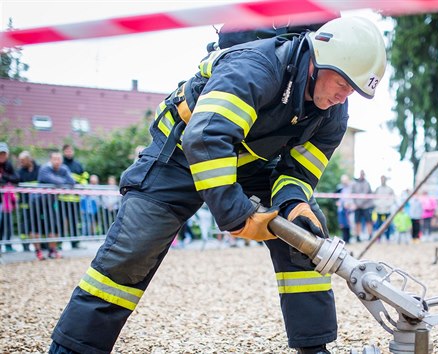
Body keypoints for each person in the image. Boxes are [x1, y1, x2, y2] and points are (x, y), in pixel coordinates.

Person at [49, 16, 386, 354]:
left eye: (354, 90)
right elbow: (206, 138)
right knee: (132, 252)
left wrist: (294, 205)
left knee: (308, 239)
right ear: (318, 60)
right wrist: (239, 216)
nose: (345, 96)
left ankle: (314, 349)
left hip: (250, 162)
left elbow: (298, 173)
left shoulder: (334, 115)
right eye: (343, 83)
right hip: (179, 155)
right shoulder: (257, 66)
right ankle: (74, 348)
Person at [38, 151, 75, 259]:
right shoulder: (44, 168)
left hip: (51, 202)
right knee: (36, 227)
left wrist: (60, 182)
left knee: (54, 226)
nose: (57, 161)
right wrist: (63, 182)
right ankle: (38, 252)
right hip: (38, 201)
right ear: (50, 159)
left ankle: (52, 250)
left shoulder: (63, 168)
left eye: (59, 159)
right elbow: (52, 180)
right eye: (55, 159)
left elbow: (72, 181)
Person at [17, 151, 47, 259]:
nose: (21, 163)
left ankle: (44, 246)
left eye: (23, 161)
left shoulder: (40, 169)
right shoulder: (20, 172)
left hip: (40, 203)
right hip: (26, 204)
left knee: (42, 225)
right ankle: (29, 246)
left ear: (29, 159)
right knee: (29, 226)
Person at [0, 142, 19, 252]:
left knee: (7, 223)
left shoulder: (9, 165)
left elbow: (16, 178)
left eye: (4, 154)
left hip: (6, 200)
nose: (2, 156)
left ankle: (7, 244)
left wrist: (4, 177)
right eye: (0, 154)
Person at [351, 170, 374, 241]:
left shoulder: (367, 183)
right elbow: (353, 194)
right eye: (361, 174)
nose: (362, 175)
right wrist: (356, 204)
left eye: (363, 174)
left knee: (368, 221)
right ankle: (358, 236)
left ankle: (370, 235)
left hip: (366, 206)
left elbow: (366, 195)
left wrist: (358, 204)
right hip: (357, 207)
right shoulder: (355, 184)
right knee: (357, 222)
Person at [373, 175, 395, 241]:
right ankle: (378, 238)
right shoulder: (377, 189)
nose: (382, 180)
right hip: (379, 209)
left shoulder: (389, 189)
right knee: (379, 224)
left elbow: (392, 198)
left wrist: (388, 205)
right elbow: (374, 198)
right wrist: (378, 204)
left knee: (387, 224)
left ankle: (387, 237)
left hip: (387, 209)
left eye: (384, 179)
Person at [336, 174, 354, 244]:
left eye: (345, 180)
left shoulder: (351, 188)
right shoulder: (339, 188)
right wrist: (337, 202)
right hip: (341, 209)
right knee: (342, 224)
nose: (344, 182)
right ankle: (345, 239)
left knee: (348, 224)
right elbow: (335, 197)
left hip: (348, 208)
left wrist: (350, 204)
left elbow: (352, 197)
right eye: (343, 181)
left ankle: (348, 239)